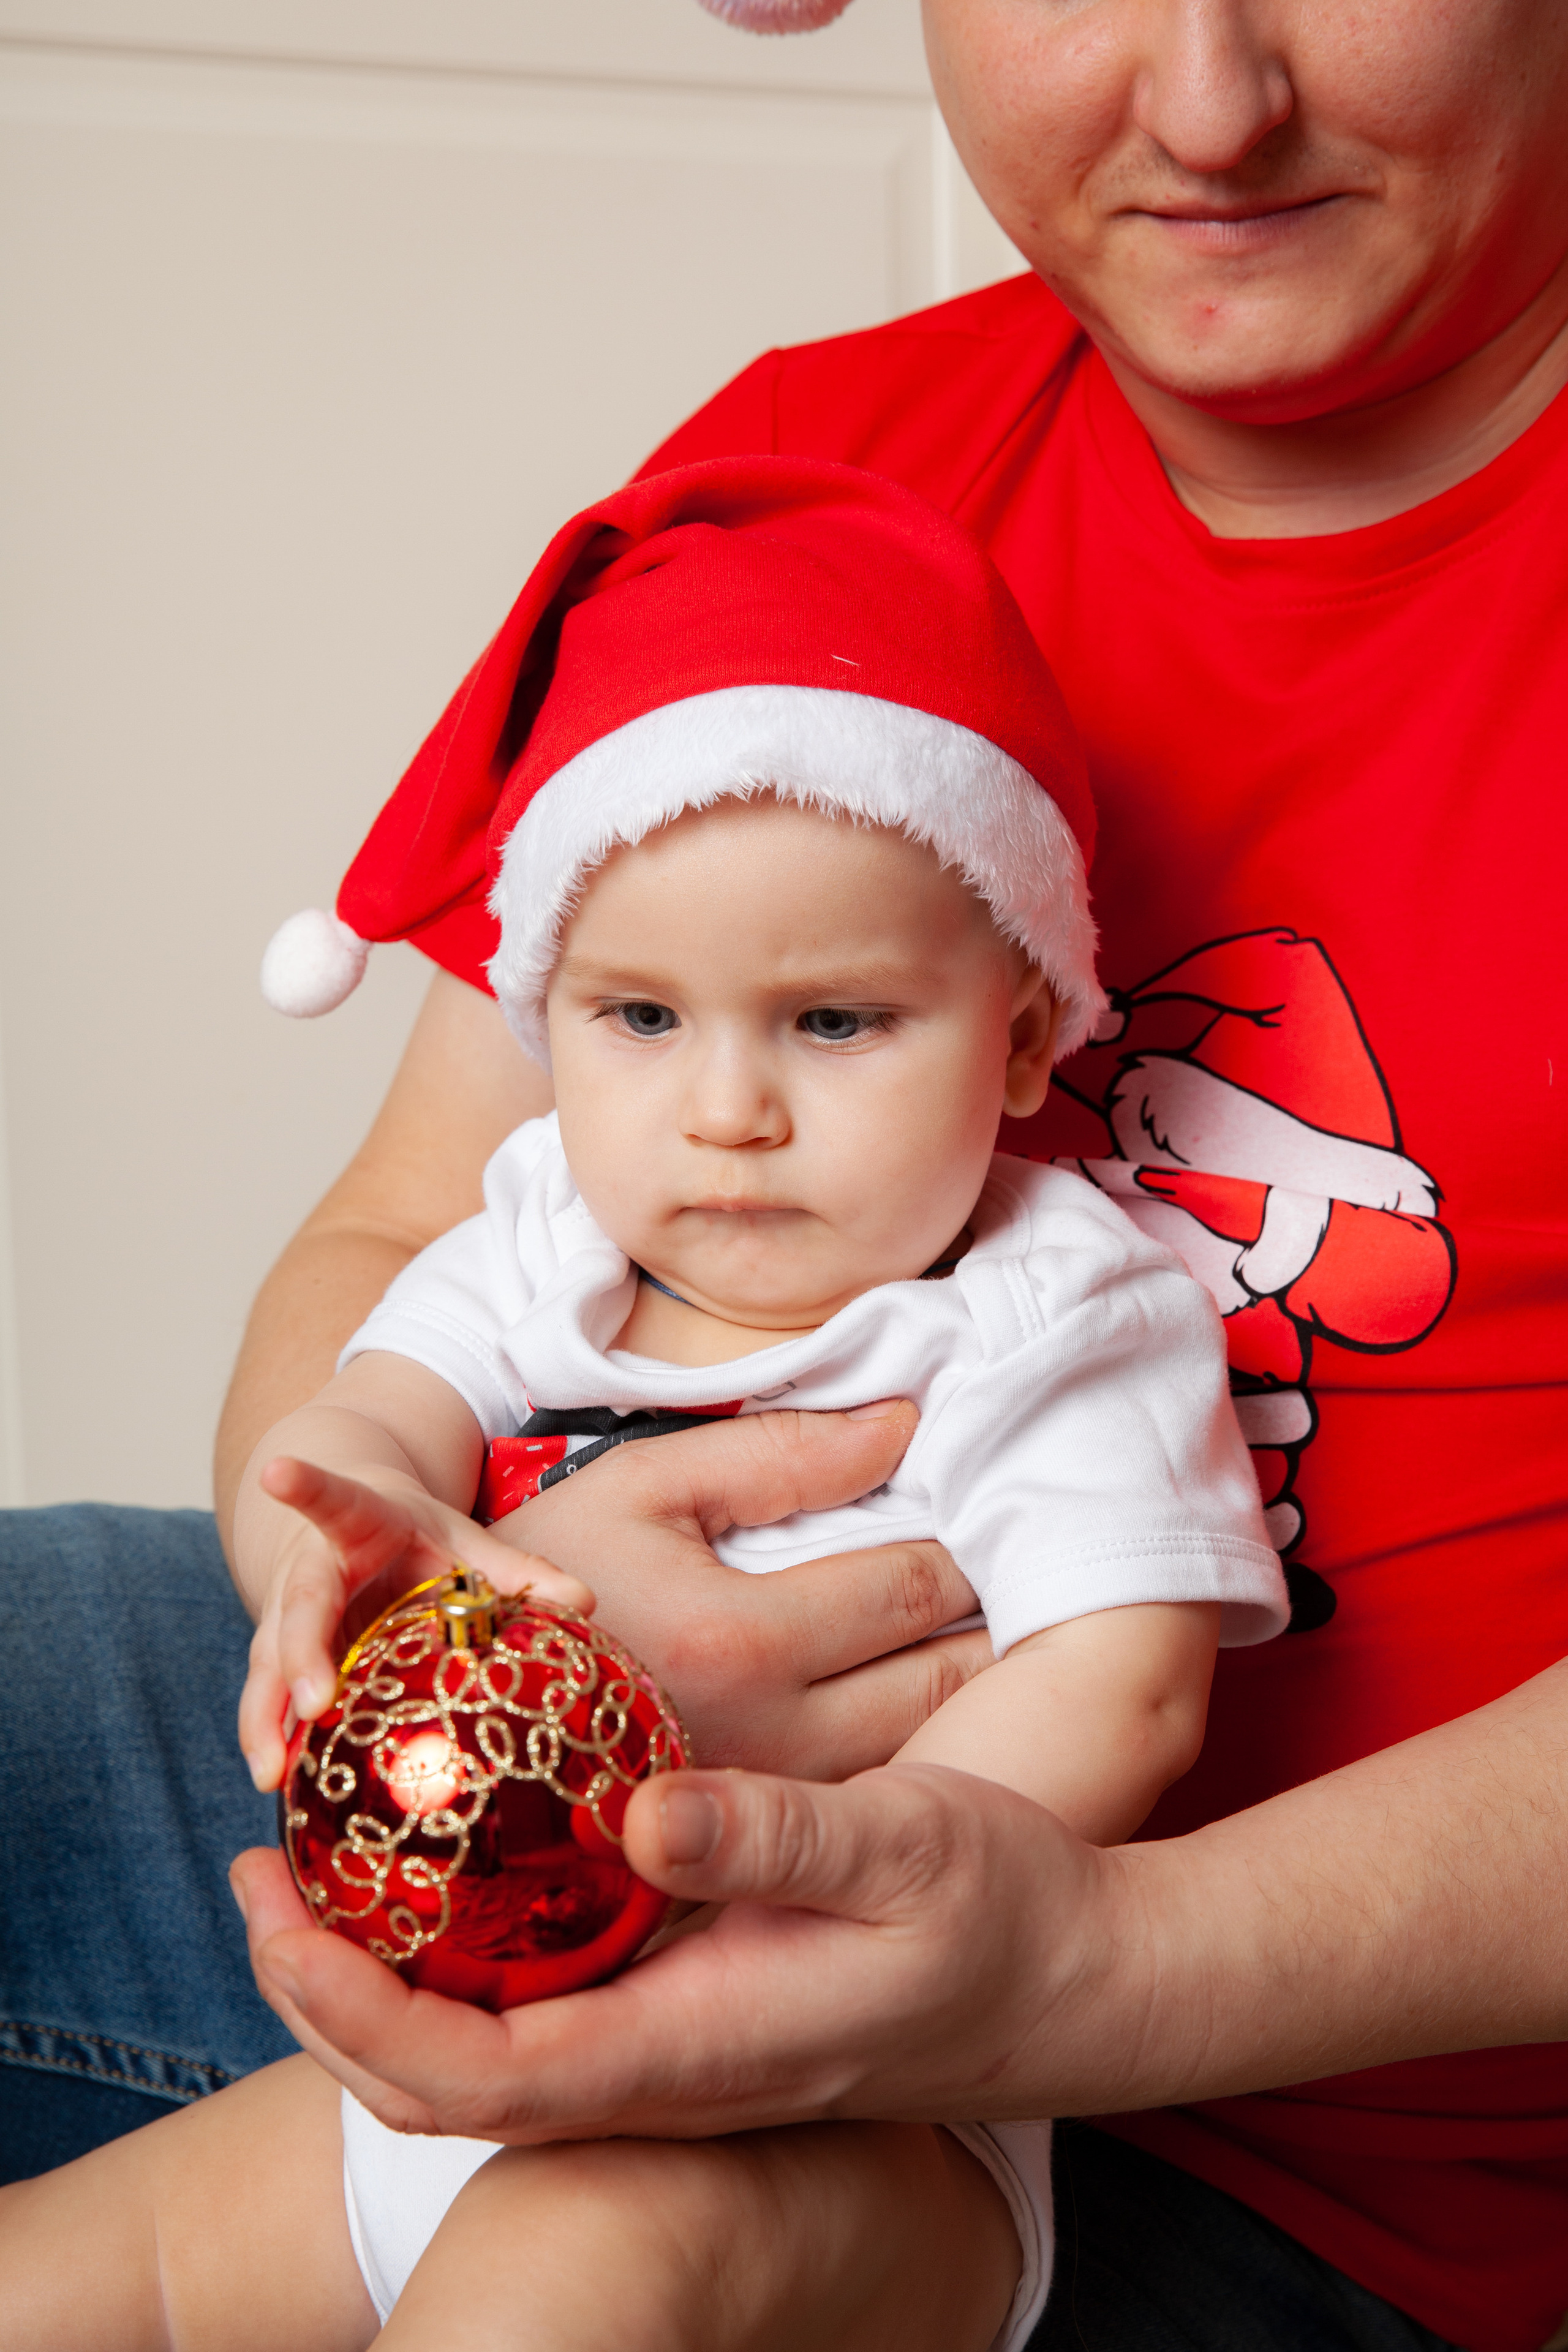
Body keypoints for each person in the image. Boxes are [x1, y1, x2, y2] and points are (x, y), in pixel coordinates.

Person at [2, 1, 1566, 2346]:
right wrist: (395, 1613)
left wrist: (1040, 1951)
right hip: (542, 1795)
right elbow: (413, 1238)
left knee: (615, 2265)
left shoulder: (1070, 1307)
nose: (1213, 100)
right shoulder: (818, 496)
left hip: (1269, 2119)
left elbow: (1115, 1697)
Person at [1, 456, 1290, 2349]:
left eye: (833, 1023)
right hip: (451, 2031)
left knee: (563, 2294)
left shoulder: (1043, 1308)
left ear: (1022, 1038)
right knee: (79, 2270)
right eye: (641, 1021)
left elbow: (1129, 1676)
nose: (728, 1110)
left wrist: (849, 1907)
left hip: (837, 2113)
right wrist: (355, 1531)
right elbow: (382, 1407)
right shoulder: (547, 1235)